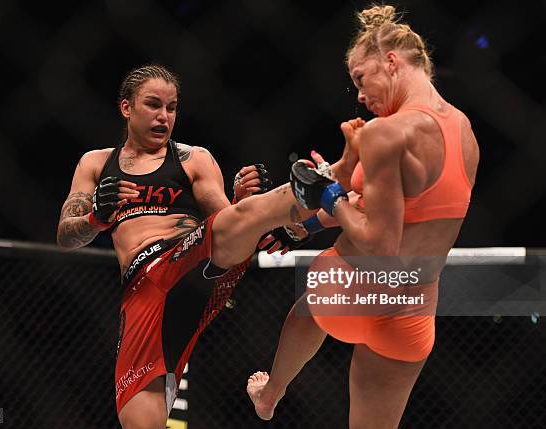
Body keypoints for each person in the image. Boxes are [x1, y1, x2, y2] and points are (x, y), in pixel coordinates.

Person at [56, 64, 327, 429]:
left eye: (171, 107)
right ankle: (290, 209)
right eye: (153, 105)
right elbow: (66, 236)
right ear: (126, 108)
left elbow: (226, 221)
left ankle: (321, 187)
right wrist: (96, 218)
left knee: (239, 218)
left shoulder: (193, 159)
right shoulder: (96, 163)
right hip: (142, 291)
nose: (164, 116)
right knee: (137, 420)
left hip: (191, 258)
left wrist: (247, 205)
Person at [246, 5, 480, 428]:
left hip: (349, 288)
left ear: (391, 62)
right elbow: (400, 213)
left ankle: (270, 393)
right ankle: (270, 394)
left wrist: (327, 193)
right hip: (413, 307)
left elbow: (379, 243)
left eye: (360, 78)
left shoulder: (385, 132)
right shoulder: (464, 131)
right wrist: (316, 220)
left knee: (305, 309)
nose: (358, 94)